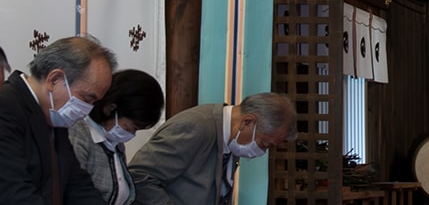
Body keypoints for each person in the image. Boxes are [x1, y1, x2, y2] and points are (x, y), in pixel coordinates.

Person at [0, 34, 118, 205]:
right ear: (54, 79)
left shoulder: (54, 116)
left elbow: (77, 185)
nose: (88, 109)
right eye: (87, 98)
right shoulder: (6, 108)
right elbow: (13, 192)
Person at [128, 92, 295, 205]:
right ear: (247, 122)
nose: (262, 152)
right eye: (264, 144)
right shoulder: (195, 127)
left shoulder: (232, 140)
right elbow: (139, 176)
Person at [68, 68, 165, 205]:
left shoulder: (116, 145)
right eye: (129, 128)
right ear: (110, 108)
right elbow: (73, 192)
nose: (131, 135)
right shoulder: (78, 134)